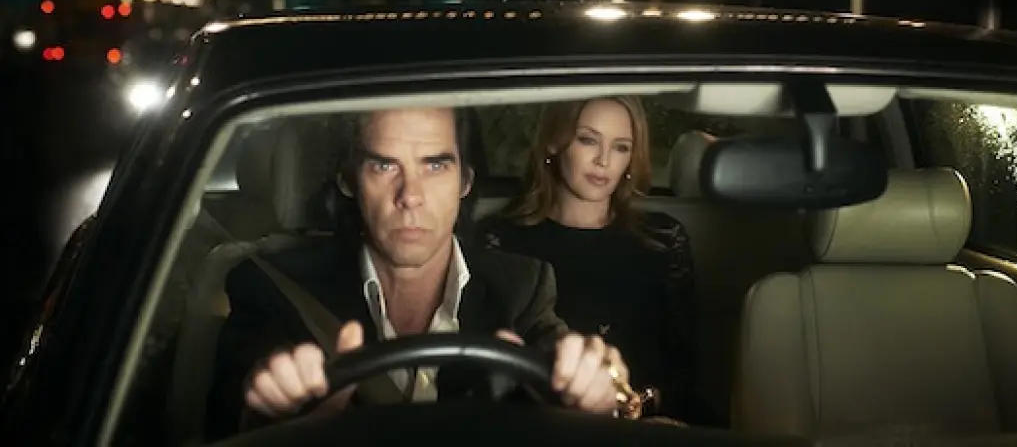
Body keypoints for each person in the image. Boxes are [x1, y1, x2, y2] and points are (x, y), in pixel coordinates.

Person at [205, 107, 632, 438]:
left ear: (465, 182)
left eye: (435, 165)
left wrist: (593, 391)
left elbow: (564, 365)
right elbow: (224, 419)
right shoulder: (272, 288)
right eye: (384, 166)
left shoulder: (521, 286)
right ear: (349, 180)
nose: (410, 195)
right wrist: (269, 418)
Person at [476, 97, 701, 423]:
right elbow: (491, 363)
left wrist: (634, 407)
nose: (604, 160)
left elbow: (682, 367)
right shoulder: (501, 237)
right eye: (588, 140)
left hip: (644, 426)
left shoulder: (662, 238)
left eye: (621, 147)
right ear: (554, 142)